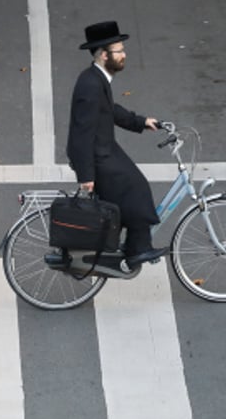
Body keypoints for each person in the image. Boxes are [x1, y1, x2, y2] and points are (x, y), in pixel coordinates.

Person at [65, 21, 167, 272]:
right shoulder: (90, 85)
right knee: (136, 188)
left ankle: (133, 245)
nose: (124, 55)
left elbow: (111, 111)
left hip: (105, 150)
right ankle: (137, 250)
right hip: (98, 156)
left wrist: (142, 122)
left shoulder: (97, 78)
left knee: (131, 192)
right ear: (103, 54)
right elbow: (81, 132)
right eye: (119, 50)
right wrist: (86, 175)